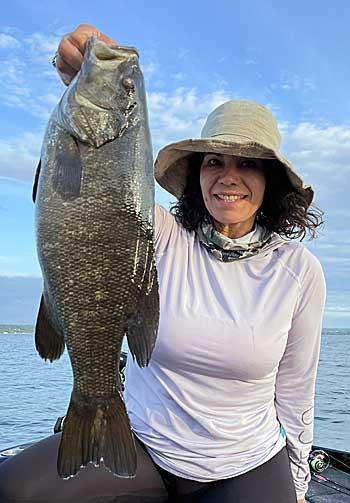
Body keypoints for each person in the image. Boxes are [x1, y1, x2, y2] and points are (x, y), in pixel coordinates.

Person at [0, 24, 325, 503]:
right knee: (15, 488)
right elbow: (96, 192)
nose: (228, 177)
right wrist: (74, 70)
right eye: (214, 161)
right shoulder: (160, 233)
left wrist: (297, 483)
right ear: (197, 174)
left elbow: (296, 392)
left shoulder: (298, 271)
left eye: (248, 164)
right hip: (145, 445)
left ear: (271, 180)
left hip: (245, 463)